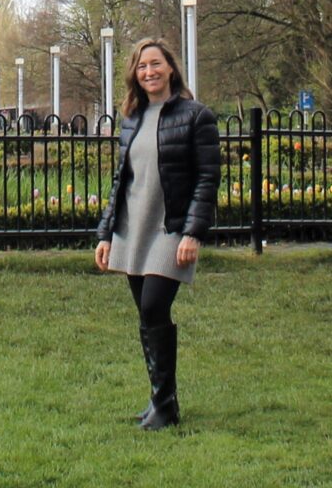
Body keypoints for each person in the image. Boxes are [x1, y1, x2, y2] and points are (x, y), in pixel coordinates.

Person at [93, 37, 221, 430]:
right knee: (147, 315)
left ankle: (164, 404)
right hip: (134, 228)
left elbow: (207, 178)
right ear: (135, 74)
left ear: (170, 68)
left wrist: (192, 233)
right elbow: (121, 181)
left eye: (156, 64)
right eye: (142, 66)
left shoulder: (196, 116)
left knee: (153, 307)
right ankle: (162, 403)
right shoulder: (132, 117)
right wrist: (106, 233)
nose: (149, 71)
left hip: (171, 229)